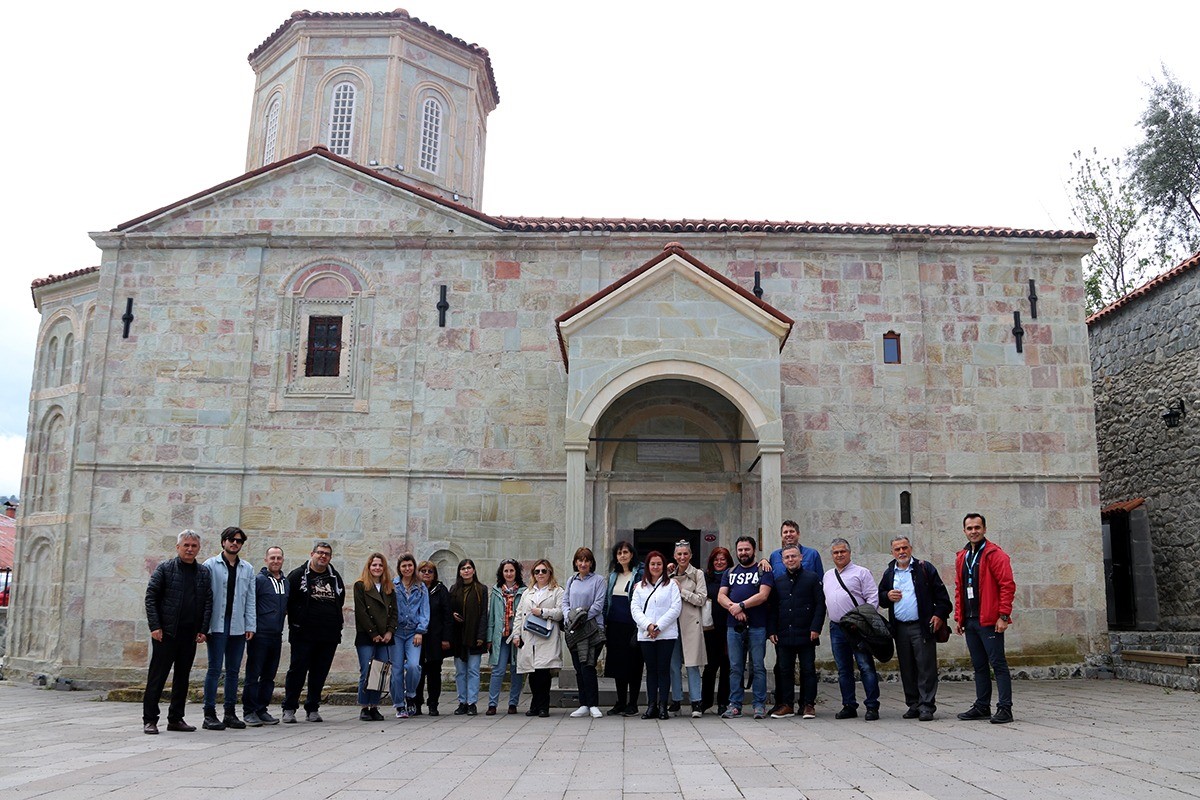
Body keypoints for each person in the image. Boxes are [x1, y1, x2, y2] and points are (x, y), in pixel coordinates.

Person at [143, 530, 212, 734]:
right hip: (166, 634)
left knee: (182, 678)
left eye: (194, 546)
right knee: (157, 677)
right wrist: (155, 626)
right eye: (186, 545)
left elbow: (208, 602)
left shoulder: (203, 573)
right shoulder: (165, 569)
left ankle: (176, 718)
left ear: (198, 549)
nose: (190, 549)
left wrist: (203, 629)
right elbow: (151, 597)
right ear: (178, 547)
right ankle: (150, 720)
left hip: (189, 635)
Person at [878, 536, 952, 722]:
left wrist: (939, 616)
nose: (901, 552)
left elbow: (943, 599)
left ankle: (927, 706)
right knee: (907, 668)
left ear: (911, 548)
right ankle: (913, 704)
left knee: (925, 667)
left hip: (922, 626)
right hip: (900, 628)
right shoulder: (889, 573)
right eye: (897, 549)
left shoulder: (924, 569)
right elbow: (880, 598)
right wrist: (887, 595)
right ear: (892, 552)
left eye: (904, 548)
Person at [954, 513, 1016, 724]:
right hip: (970, 620)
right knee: (979, 665)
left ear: (984, 529)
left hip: (989, 620)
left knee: (998, 664)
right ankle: (982, 706)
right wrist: (959, 617)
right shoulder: (962, 556)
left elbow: (1007, 586)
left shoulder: (995, 554)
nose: (974, 531)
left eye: (977, 527)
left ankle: (1005, 708)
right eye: (969, 528)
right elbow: (959, 588)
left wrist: (1003, 616)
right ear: (964, 531)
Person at [281, 541, 346, 723]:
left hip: (328, 634)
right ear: (312, 554)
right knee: (297, 670)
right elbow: (288, 602)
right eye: (320, 553)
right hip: (303, 634)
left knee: (319, 672)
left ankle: (313, 707)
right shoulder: (297, 576)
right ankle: (289, 708)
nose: (323, 556)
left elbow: (339, 600)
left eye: (326, 554)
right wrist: (296, 622)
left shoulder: (334, 577)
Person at [201, 526, 256, 730]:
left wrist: (250, 624)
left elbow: (250, 598)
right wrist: (203, 626)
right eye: (231, 540)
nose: (235, 543)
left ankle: (230, 713)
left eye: (239, 541)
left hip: (238, 624)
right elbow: (204, 597)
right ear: (223, 541)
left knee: (233, 670)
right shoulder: (209, 565)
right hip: (217, 623)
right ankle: (209, 713)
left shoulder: (247, 568)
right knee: (214, 669)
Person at [822, 537, 881, 721]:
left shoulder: (861, 573)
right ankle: (849, 705)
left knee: (865, 667)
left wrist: (863, 622)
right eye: (835, 552)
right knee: (843, 669)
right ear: (832, 555)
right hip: (837, 628)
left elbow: (873, 598)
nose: (839, 555)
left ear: (849, 553)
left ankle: (872, 706)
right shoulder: (828, 575)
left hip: (857, 628)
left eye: (842, 551)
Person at [718, 535, 774, 719]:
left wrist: (741, 605)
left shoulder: (763, 570)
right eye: (740, 550)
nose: (743, 553)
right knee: (735, 667)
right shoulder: (730, 572)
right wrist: (734, 609)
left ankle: (759, 705)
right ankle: (734, 705)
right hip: (734, 627)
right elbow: (721, 596)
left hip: (757, 626)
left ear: (754, 550)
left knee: (758, 666)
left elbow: (763, 595)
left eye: (747, 549)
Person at [767, 544, 825, 719]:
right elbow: (773, 609)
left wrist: (816, 628)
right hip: (784, 633)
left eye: (793, 556)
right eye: (787, 557)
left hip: (807, 633)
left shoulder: (812, 578)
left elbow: (820, 605)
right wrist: (772, 630)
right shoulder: (778, 582)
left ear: (800, 557)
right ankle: (787, 704)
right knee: (785, 669)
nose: (790, 560)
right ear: (783, 560)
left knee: (808, 670)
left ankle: (808, 704)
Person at [631, 551, 682, 720]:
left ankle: (663, 706)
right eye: (652, 564)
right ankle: (651, 705)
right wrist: (648, 626)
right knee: (651, 670)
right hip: (646, 634)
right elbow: (635, 609)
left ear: (663, 565)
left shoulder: (672, 585)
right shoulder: (640, 586)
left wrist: (659, 626)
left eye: (659, 564)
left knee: (663, 670)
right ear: (647, 566)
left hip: (666, 634)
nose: (655, 567)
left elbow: (675, 608)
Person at [511, 558, 564, 717]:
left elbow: (560, 613)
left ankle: (543, 706)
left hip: (546, 636)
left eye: (543, 571)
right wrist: (516, 634)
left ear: (549, 572)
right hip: (529, 636)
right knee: (532, 673)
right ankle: (535, 704)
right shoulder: (527, 592)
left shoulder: (557, 591)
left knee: (543, 672)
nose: (540, 574)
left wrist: (543, 612)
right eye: (537, 571)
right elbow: (519, 614)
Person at [242, 545, 288, 726]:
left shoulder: (286, 582)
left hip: (276, 635)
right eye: (272, 558)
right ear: (266, 560)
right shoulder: (259, 580)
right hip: (259, 635)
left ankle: (262, 709)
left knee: (269, 676)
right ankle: (249, 711)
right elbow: (250, 604)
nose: (275, 561)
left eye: (278, 558)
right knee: (253, 675)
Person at [561, 546, 606, 719]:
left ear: (591, 563)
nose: (583, 563)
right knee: (579, 668)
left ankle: (593, 703)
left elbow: (598, 605)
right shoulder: (571, 580)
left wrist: (581, 618)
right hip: (574, 630)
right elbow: (565, 602)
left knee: (588, 666)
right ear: (575, 562)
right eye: (580, 560)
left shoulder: (599, 580)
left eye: (586, 560)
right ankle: (583, 704)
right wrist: (568, 616)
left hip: (592, 629)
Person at [353, 553, 397, 721]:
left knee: (379, 672)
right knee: (366, 670)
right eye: (374, 565)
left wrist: (389, 631)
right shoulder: (360, 586)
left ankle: (374, 705)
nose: (377, 568)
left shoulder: (389, 588)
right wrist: (374, 633)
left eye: (380, 565)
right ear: (369, 567)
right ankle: (364, 706)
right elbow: (361, 612)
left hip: (385, 636)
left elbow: (394, 612)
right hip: (367, 635)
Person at [604, 540, 644, 717]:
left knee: (634, 666)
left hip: (632, 626)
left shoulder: (639, 574)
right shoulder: (613, 576)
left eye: (625, 552)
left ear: (632, 554)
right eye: (619, 553)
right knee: (618, 666)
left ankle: (633, 703)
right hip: (614, 625)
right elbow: (608, 601)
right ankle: (620, 702)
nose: (622, 556)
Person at [667, 540, 707, 717]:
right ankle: (676, 700)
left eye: (685, 554)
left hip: (691, 623)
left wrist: (681, 590)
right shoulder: (669, 575)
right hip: (672, 624)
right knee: (673, 665)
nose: (682, 557)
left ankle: (696, 702)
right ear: (674, 556)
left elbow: (701, 599)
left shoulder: (698, 574)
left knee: (692, 664)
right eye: (679, 554)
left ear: (690, 555)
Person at [392, 553, 429, 719]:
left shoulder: (421, 587)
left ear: (413, 567)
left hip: (414, 632)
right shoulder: (393, 586)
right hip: (397, 632)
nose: (407, 569)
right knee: (397, 669)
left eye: (410, 565)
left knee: (414, 666)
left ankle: (411, 695)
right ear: (399, 568)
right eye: (404, 566)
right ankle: (399, 704)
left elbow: (425, 611)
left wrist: (421, 630)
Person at [486, 559, 526, 715]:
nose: (509, 574)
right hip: (500, 636)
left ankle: (513, 703)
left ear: (516, 572)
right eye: (506, 571)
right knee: (498, 669)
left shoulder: (523, 591)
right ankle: (492, 704)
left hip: (516, 635)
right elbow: (491, 617)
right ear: (501, 573)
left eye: (511, 571)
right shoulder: (496, 591)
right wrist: (489, 638)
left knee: (517, 670)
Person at [449, 558, 488, 716]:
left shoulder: (481, 589)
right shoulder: (454, 589)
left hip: (474, 635)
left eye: (469, 568)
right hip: (458, 636)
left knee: (473, 670)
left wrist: (481, 635)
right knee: (460, 671)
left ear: (473, 570)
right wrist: (452, 615)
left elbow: (484, 614)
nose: (466, 570)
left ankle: (472, 702)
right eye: (463, 568)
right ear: (459, 572)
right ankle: (462, 701)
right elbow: (448, 610)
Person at [414, 560, 452, 716]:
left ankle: (433, 703)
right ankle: (416, 703)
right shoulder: (415, 589)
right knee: (417, 672)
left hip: (436, 638)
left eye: (430, 571)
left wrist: (446, 638)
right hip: (417, 638)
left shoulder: (441, 590)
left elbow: (447, 616)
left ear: (435, 574)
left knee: (434, 673)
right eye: (423, 571)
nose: (426, 574)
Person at [700, 546, 731, 716]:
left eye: (723, 559)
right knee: (710, 666)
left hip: (728, 627)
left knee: (726, 666)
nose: (719, 562)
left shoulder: (733, 577)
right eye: (716, 560)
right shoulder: (705, 577)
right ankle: (706, 701)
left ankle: (723, 702)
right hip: (710, 628)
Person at [759, 519, 824, 578]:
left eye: (792, 531)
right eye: (785, 532)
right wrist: (764, 560)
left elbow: (820, 579)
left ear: (798, 534)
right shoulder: (774, 556)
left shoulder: (812, 554)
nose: (788, 534)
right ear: (781, 536)